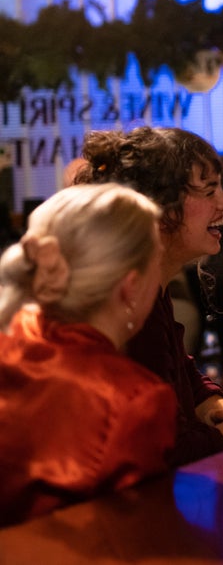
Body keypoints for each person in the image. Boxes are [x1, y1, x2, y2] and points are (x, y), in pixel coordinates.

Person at [75, 126, 223, 465]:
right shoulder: (125, 304)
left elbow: (177, 366)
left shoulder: (150, 286)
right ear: (159, 206)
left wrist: (212, 403)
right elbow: (159, 454)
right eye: (210, 190)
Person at [0, 184, 177, 525]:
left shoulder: (14, 335)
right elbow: (134, 540)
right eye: (158, 262)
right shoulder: (134, 400)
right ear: (130, 287)